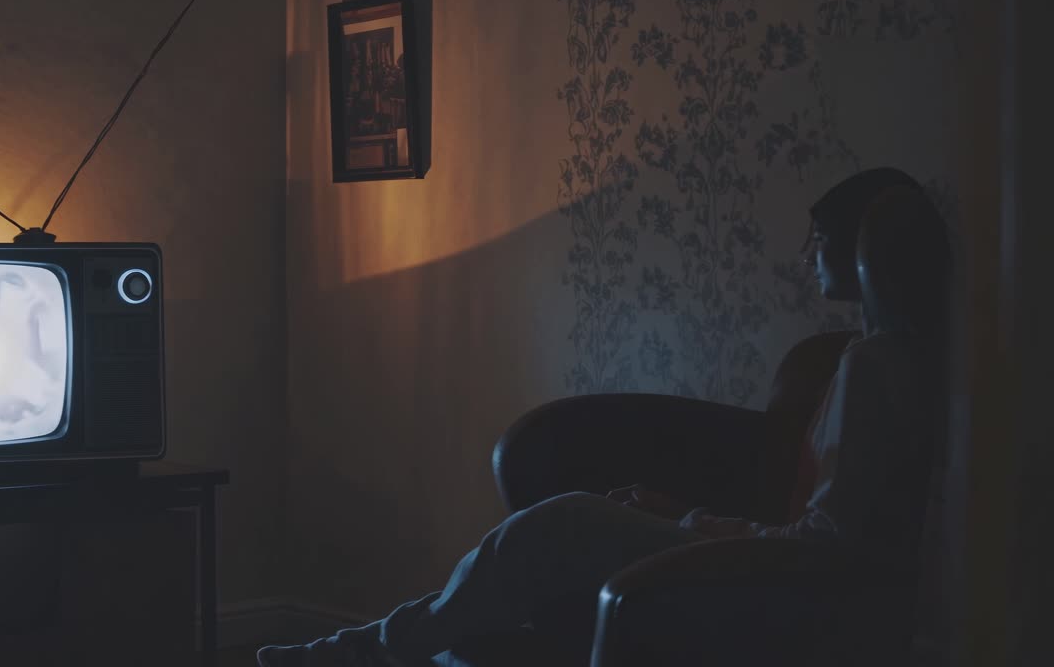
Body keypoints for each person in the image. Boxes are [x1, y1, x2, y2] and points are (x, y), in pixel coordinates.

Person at [257, 169, 949, 667]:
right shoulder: (854, 357)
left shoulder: (878, 366)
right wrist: (680, 510)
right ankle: (378, 648)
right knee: (549, 539)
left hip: (776, 579)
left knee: (558, 524)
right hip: (755, 551)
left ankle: (363, 652)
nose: (807, 256)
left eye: (821, 237)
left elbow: (824, 541)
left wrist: (688, 524)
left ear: (864, 248)